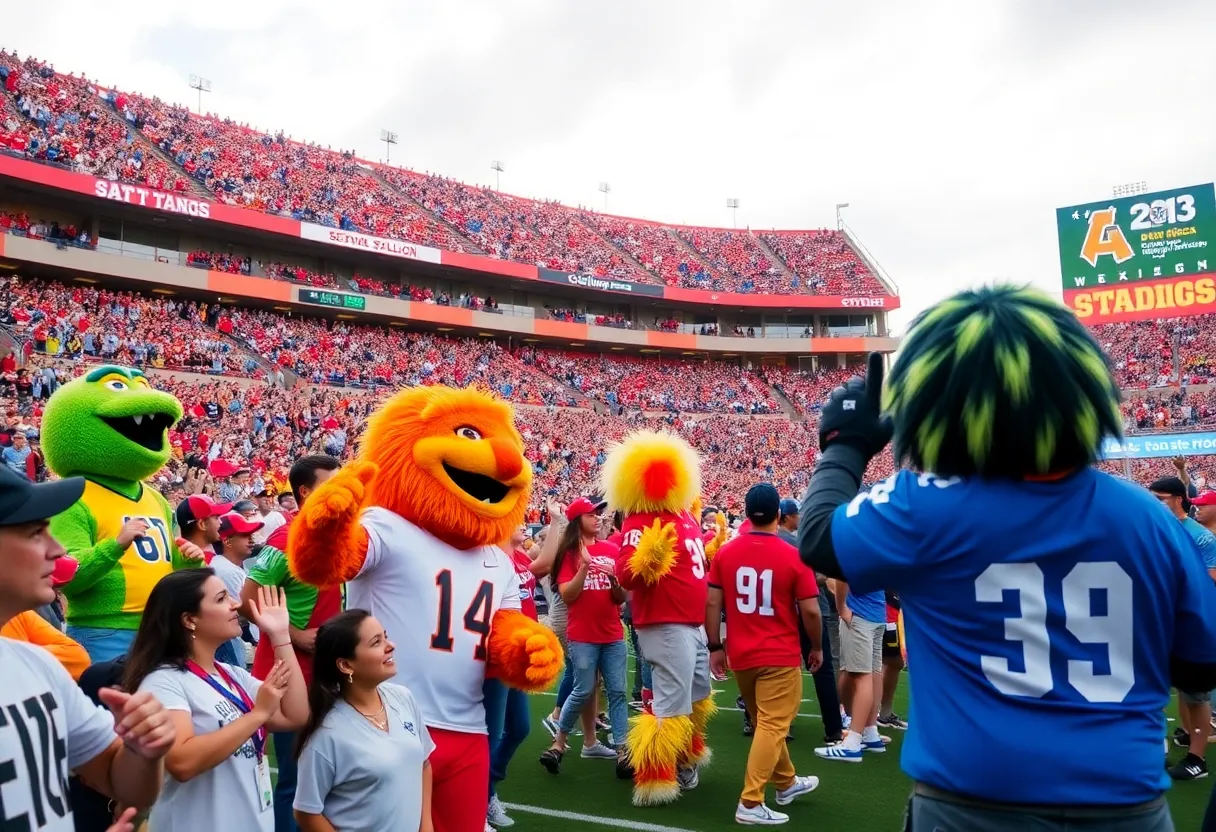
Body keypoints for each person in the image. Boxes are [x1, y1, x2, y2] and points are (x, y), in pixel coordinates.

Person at [798, 287, 1216, 831]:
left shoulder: (924, 503)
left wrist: (844, 446)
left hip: (969, 805)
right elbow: (1198, 664)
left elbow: (819, 539)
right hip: (1123, 803)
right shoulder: (1149, 517)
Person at [0, 464, 177, 830]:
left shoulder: (37, 663)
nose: (58, 549)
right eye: (35, 533)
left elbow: (119, 779)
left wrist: (143, 751)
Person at [126, 572, 308, 831]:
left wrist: (280, 635)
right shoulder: (163, 681)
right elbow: (181, 762)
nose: (235, 604)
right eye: (222, 598)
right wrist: (257, 715)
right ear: (190, 620)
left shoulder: (232, 675)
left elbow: (296, 714)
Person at [706, 483, 822, 825]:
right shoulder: (794, 554)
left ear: (745, 513)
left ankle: (785, 783)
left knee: (764, 722)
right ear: (778, 515)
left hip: (741, 651)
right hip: (778, 652)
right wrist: (815, 646)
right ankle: (751, 801)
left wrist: (715, 646)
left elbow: (712, 601)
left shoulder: (726, 552)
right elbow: (812, 611)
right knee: (773, 725)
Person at [241, 454, 342, 832]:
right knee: (296, 779)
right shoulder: (287, 537)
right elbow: (248, 598)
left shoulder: (340, 537)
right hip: (290, 671)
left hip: (328, 671)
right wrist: (296, 635)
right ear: (305, 491)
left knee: (324, 774)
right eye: (333, 484)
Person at [294, 610, 434, 832]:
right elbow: (306, 811)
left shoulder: (403, 698)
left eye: (385, 636)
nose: (391, 645)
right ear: (346, 666)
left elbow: (424, 764)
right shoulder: (327, 735)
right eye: (377, 642)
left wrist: (426, 826)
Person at [537, 498, 631, 777]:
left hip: (612, 633)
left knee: (617, 692)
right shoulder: (569, 555)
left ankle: (623, 751)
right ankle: (559, 744)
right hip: (582, 636)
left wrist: (616, 583)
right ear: (578, 520)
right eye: (593, 514)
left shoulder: (612, 549)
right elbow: (567, 594)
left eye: (600, 514)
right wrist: (584, 568)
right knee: (582, 690)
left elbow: (621, 597)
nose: (600, 518)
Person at [1149, 477, 1216, 780]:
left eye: (1161, 498)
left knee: (1194, 692)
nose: (1156, 503)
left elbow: (1209, 581)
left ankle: (1197, 760)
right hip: (1161, 620)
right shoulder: (1156, 528)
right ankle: (1177, 741)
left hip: (1190, 622)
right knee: (1168, 689)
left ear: (1178, 498)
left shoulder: (1200, 537)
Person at [484, 526, 535, 829]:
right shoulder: (487, 557)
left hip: (514, 655)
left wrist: (555, 523)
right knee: (490, 736)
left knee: (520, 728)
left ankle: (489, 781)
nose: (524, 523)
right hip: (491, 661)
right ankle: (483, 799)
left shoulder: (519, 559)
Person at [815, 559, 888, 762]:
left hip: (860, 615)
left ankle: (853, 740)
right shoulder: (880, 543)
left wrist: (842, 609)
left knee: (861, 676)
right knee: (873, 673)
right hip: (876, 613)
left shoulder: (857, 540)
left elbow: (841, 577)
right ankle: (870, 732)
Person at [213, 512, 264, 667]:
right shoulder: (227, 570)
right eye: (245, 535)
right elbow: (246, 611)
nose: (251, 539)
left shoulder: (227, 565)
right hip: (233, 643)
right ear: (227, 541)